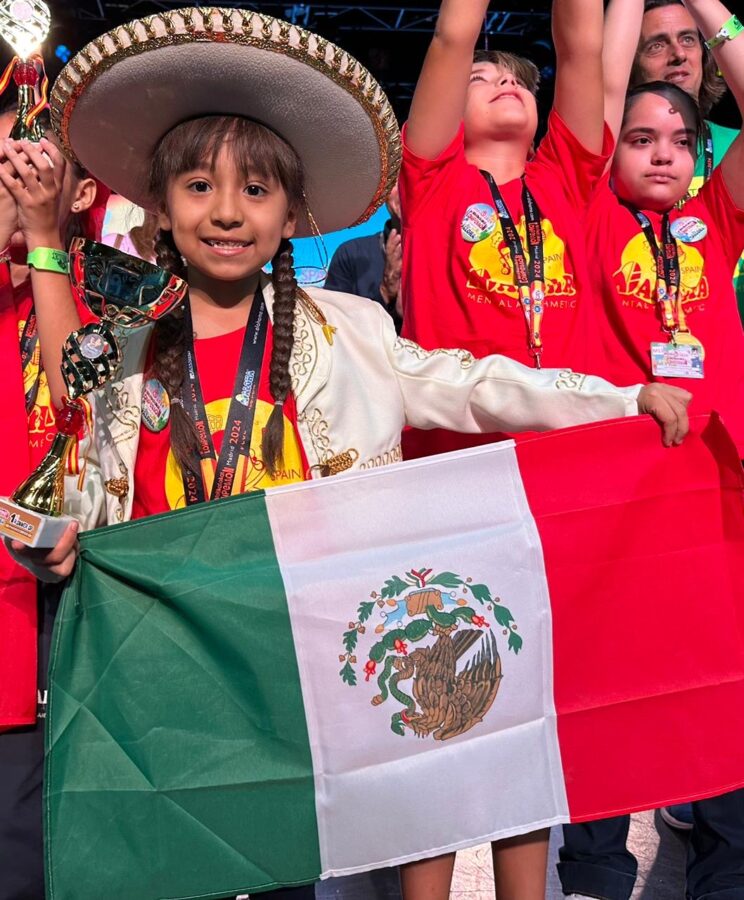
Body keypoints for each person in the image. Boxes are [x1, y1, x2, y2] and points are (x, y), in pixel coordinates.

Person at [3, 8, 689, 900]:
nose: (226, 213)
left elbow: (478, 383)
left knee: (284, 877)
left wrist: (622, 397)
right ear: (164, 209)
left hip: (297, 673)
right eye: (200, 188)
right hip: (162, 677)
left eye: (255, 192)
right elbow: (74, 434)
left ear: (292, 215)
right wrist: (58, 542)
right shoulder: (123, 341)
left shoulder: (354, 335)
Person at [396, 0, 613, 893]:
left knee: (527, 720)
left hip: (553, 485)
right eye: (485, 79)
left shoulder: (569, 178)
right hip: (447, 481)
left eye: (516, 79)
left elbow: (583, 40)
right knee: (441, 715)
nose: (503, 82)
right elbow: (454, 34)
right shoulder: (433, 178)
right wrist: (466, 45)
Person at [558, 0, 744, 897]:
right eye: (640, 137)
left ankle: (722, 873)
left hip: (716, 509)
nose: (663, 149)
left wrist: (714, 14)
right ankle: (594, 875)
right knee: (605, 708)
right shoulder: (591, 214)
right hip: (615, 514)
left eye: (679, 137)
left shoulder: (718, 215)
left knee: (722, 696)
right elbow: (598, 78)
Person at [0, 107, 105, 897]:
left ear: (81, 192)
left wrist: (40, 246)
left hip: (71, 651)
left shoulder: (115, 311)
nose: (13, 173)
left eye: (31, 160)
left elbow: (83, 395)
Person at [629, 0, 744, 318]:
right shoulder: (611, 158)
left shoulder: (734, 146)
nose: (678, 54)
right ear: (631, 63)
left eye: (689, 39)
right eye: (657, 45)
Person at [324, 181, 403, 331]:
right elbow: (334, 330)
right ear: (384, 193)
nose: (404, 189)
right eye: (396, 182)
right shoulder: (350, 255)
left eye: (412, 180)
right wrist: (385, 291)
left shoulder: (452, 255)